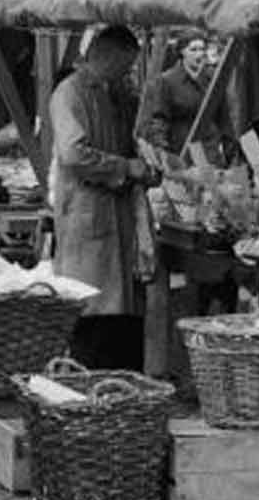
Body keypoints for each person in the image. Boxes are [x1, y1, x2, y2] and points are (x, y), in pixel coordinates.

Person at [50, 27, 155, 369]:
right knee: (92, 313)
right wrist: (126, 167)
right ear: (106, 57)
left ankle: (121, 389)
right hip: (87, 220)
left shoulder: (116, 94)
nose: (127, 75)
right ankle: (92, 393)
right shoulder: (69, 93)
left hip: (116, 221)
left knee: (121, 318)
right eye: (124, 67)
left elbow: (128, 145)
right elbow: (73, 154)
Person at [139, 33, 229, 162]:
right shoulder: (167, 80)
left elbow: (223, 115)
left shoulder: (212, 78)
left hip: (211, 150)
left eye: (202, 49)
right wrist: (163, 151)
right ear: (182, 52)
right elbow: (159, 119)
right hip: (183, 150)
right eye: (193, 49)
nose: (199, 54)